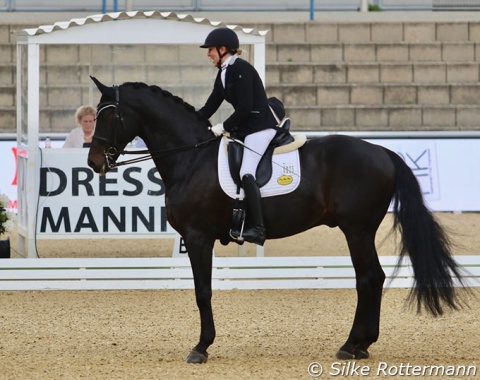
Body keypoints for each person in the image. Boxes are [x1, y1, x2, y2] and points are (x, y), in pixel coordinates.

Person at [198, 27, 278, 246]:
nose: (208, 54)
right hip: (246, 129)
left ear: (223, 49)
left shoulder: (240, 68)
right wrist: (191, 121)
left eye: (211, 50)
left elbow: (244, 108)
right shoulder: (223, 71)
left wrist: (222, 126)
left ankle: (259, 229)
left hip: (260, 127)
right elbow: (211, 104)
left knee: (246, 172)